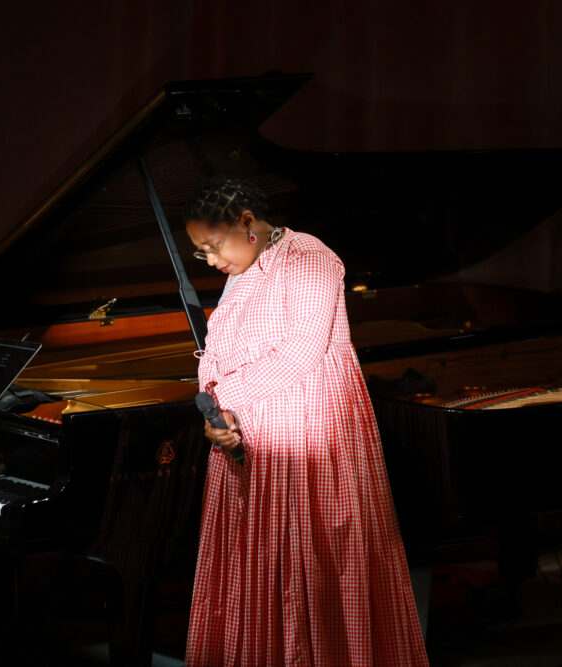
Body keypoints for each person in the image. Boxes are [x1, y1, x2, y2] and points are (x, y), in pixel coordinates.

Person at [183, 177, 428, 666]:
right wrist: (213, 412)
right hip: (249, 440)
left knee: (313, 567)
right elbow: (216, 351)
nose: (210, 262)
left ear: (247, 224)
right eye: (200, 253)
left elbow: (299, 353)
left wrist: (222, 396)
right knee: (256, 573)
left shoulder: (310, 258)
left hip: (307, 434)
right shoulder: (242, 268)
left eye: (212, 247)